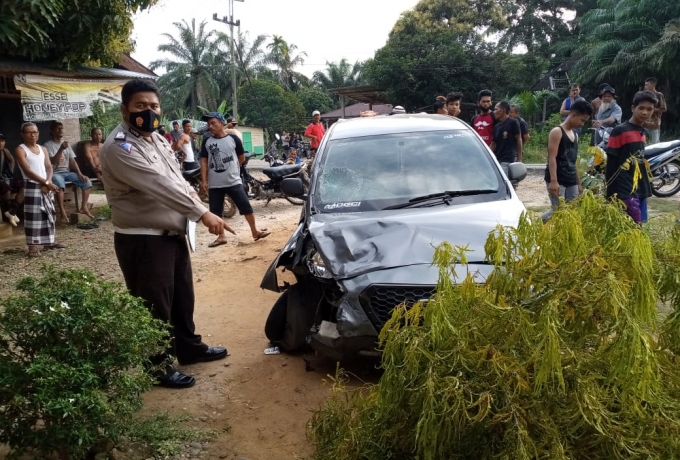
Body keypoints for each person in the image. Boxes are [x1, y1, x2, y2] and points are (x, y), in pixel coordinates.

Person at [99, 79, 233, 389]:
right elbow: (159, 186)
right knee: (154, 304)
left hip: (171, 233)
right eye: (140, 106)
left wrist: (196, 204)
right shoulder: (120, 146)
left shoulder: (157, 140)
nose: (149, 112)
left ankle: (188, 347)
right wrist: (202, 213)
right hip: (143, 238)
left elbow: (177, 179)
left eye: (154, 106)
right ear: (125, 109)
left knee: (182, 297)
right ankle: (157, 365)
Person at [199, 111, 270, 247]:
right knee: (216, 211)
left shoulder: (233, 139)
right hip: (215, 183)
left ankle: (255, 231)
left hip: (233, 180)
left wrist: (232, 168)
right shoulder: (207, 141)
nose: (210, 126)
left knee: (246, 206)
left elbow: (241, 158)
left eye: (213, 123)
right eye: (209, 124)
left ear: (222, 124)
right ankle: (221, 237)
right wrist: (204, 180)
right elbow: (203, 161)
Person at [605, 90, 657, 224]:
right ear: (633, 108)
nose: (645, 112)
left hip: (641, 188)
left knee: (640, 228)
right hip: (624, 190)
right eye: (641, 108)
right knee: (630, 230)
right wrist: (610, 193)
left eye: (649, 109)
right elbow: (611, 164)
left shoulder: (642, 132)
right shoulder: (619, 131)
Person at [13, 122, 63, 257]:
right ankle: (33, 247)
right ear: (22, 134)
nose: (33, 135)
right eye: (29, 132)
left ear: (38, 133)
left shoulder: (43, 149)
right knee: (33, 216)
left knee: (49, 213)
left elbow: (49, 167)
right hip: (31, 184)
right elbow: (28, 171)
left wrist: (48, 182)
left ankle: (49, 242)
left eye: (35, 132)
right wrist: (46, 182)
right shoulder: (21, 149)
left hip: (46, 185)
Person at [542, 100, 594, 222]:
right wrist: (553, 181)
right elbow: (552, 157)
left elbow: (573, 160)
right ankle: (538, 225)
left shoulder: (575, 135)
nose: (582, 124)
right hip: (558, 179)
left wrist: (579, 183)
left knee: (572, 212)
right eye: (582, 120)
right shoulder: (557, 132)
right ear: (574, 115)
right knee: (558, 212)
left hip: (571, 180)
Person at [44, 121, 95, 222]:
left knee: (87, 182)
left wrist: (80, 173)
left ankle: (83, 207)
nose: (61, 130)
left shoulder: (66, 145)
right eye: (58, 128)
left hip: (67, 172)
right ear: (52, 131)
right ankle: (63, 213)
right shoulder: (47, 145)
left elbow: (72, 161)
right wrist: (61, 149)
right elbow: (51, 162)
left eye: (61, 128)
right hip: (55, 173)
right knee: (59, 184)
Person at [491, 101, 523, 178]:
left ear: (503, 110)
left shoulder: (513, 122)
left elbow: (519, 139)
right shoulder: (497, 126)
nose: (494, 112)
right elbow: (493, 143)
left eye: (496, 109)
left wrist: (519, 158)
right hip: (498, 159)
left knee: (503, 181)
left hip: (508, 159)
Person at [1, 134, 24, 226]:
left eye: (3, 141)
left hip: (5, 178)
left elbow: (12, 160)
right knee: (6, 189)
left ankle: (11, 212)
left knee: (25, 186)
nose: (1, 143)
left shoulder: (5, 151)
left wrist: (10, 171)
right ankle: (10, 214)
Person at [643, 77, 667, 144]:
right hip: (644, 122)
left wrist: (652, 110)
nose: (645, 86)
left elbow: (664, 108)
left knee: (655, 144)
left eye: (647, 84)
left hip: (654, 123)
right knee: (642, 142)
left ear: (653, 85)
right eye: (645, 85)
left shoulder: (659, 95)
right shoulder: (644, 95)